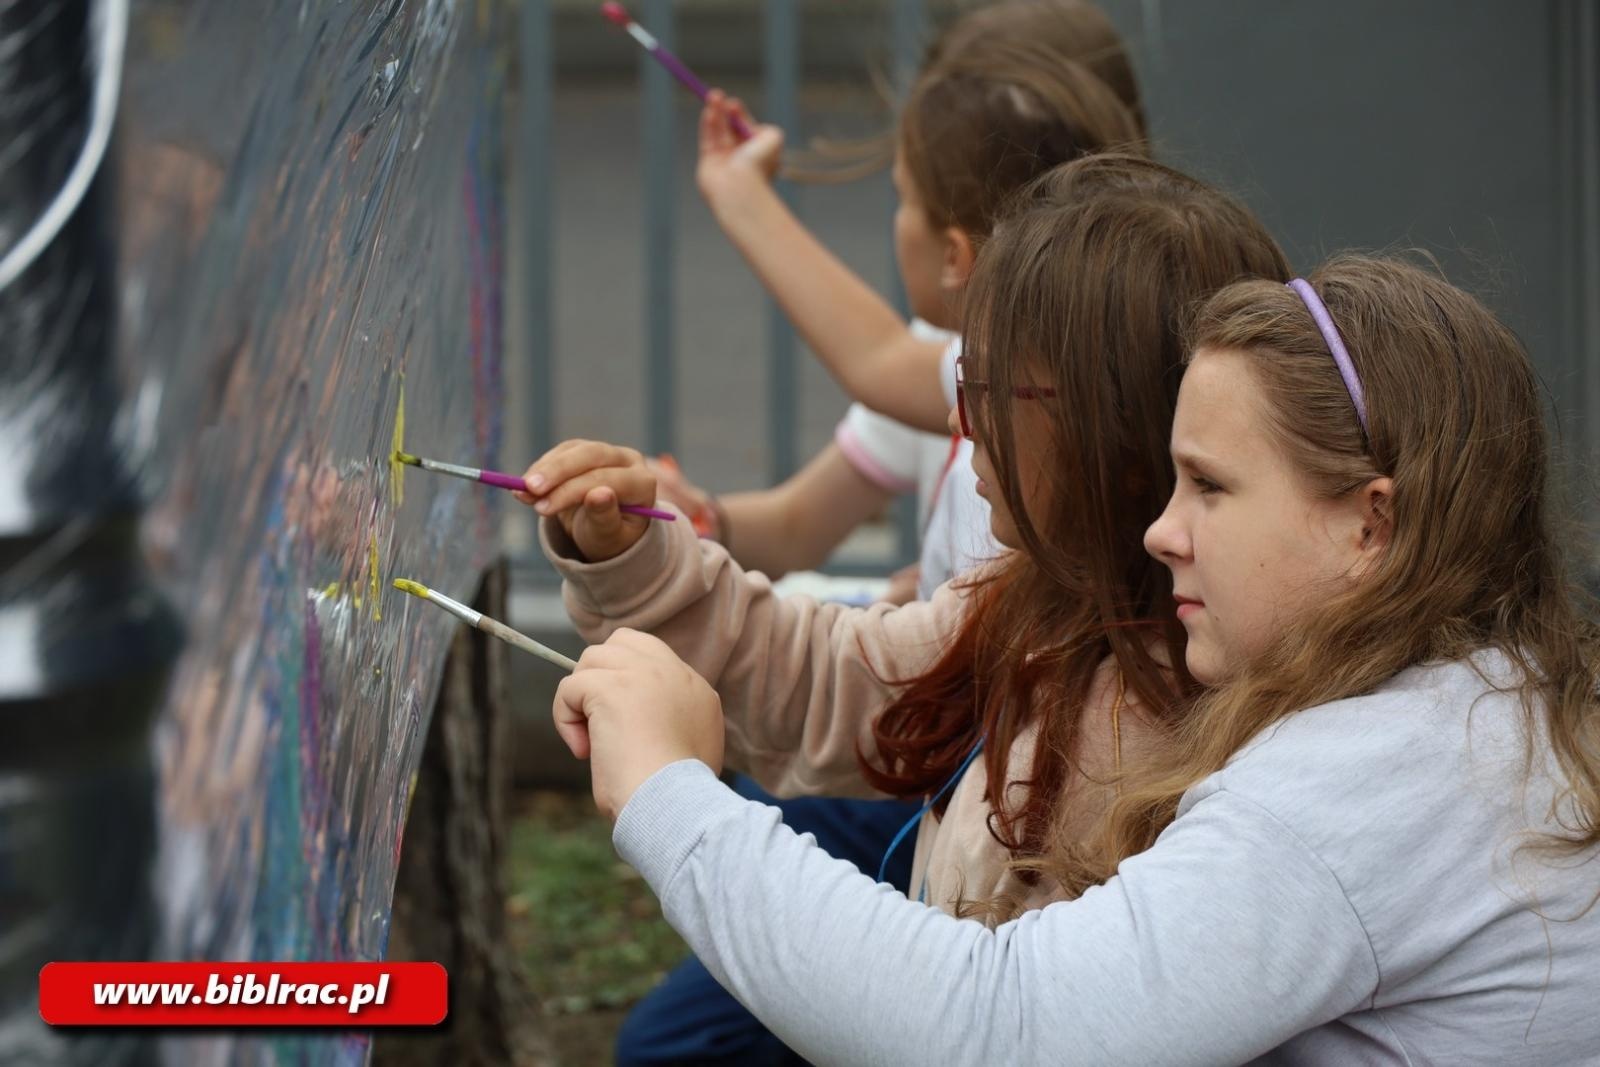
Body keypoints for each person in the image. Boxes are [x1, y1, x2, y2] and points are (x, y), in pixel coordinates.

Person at [542, 251, 1600, 1063]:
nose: (1161, 530)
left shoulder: (1367, 786)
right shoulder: (1478, 704)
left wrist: (672, 794)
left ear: (1371, 524)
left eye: (1212, 486)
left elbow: (999, 1028)